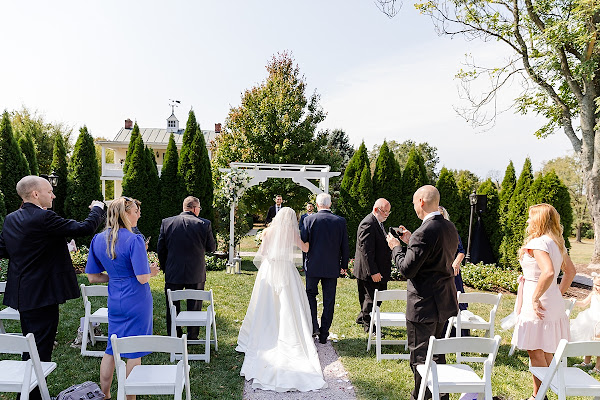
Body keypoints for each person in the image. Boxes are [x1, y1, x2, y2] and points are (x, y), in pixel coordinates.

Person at [0, 176, 105, 400]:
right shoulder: (44, 217)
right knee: (41, 347)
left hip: (22, 293)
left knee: (31, 343)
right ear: (35, 194)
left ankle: (28, 393)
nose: (53, 195)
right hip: (43, 294)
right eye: (49, 191)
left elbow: (4, 249)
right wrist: (97, 209)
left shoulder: (10, 219)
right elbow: (84, 228)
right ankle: (32, 395)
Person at [236, 207, 327, 392]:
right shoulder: (293, 232)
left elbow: (263, 252)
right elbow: (306, 248)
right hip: (286, 270)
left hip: (269, 269)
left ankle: (264, 330)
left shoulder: (267, 231)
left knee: (264, 303)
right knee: (289, 304)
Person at [386, 185, 459, 400]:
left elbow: (407, 269)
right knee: (437, 355)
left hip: (423, 304)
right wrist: (411, 242)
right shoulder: (449, 227)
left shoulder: (424, 232)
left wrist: (396, 248)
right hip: (443, 301)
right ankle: (440, 396)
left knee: (420, 359)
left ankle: (421, 397)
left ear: (421, 202)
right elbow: (433, 257)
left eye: (414, 204)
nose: (414, 208)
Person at [85, 196, 160, 399]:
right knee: (134, 352)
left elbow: (92, 277)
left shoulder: (98, 239)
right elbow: (142, 278)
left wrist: (115, 277)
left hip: (115, 298)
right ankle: (129, 397)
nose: (138, 215)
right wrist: (152, 272)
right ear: (125, 214)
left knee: (111, 347)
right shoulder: (134, 239)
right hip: (137, 299)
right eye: (136, 211)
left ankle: (106, 395)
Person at [511, 203, 576, 400]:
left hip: (538, 302)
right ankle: (540, 395)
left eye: (531, 217)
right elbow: (570, 272)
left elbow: (548, 272)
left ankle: (539, 396)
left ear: (538, 220)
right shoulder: (556, 243)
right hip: (553, 302)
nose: (528, 221)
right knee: (546, 350)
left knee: (535, 351)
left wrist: (536, 296)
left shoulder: (538, 243)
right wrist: (557, 293)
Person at [157, 196, 216, 339]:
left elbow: (161, 249)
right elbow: (211, 247)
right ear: (195, 208)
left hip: (173, 271)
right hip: (195, 272)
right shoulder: (204, 224)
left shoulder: (167, 222)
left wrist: (166, 267)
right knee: (195, 305)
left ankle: (174, 335)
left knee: (172, 305)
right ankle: (192, 336)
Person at [301, 193, 349, 344]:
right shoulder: (340, 221)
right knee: (329, 300)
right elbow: (345, 246)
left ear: (317, 205)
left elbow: (304, 244)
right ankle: (324, 334)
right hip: (331, 266)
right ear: (329, 205)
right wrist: (344, 265)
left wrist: (304, 263)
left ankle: (313, 326)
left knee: (310, 295)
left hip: (313, 265)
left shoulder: (308, 219)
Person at [354, 198, 392, 333]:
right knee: (370, 299)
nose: (387, 214)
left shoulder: (379, 222)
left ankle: (361, 317)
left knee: (378, 297)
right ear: (376, 209)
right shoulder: (368, 224)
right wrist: (373, 271)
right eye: (385, 211)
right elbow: (366, 252)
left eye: (388, 211)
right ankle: (368, 325)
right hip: (370, 270)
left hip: (380, 269)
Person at [439, 206, 469, 329]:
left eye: (442, 215)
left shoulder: (452, 231)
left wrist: (456, 262)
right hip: (440, 272)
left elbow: (461, 251)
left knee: (457, 301)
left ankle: (459, 332)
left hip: (453, 272)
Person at [571, 272, 600, 373]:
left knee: (597, 343)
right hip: (590, 319)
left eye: (599, 285)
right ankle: (587, 362)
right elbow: (584, 303)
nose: (596, 287)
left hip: (598, 322)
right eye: (595, 285)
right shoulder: (593, 294)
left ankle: (598, 367)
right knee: (589, 340)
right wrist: (574, 302)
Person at [299, 202, 315, 270]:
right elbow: (300, 226)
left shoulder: (315, 215)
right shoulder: (303, 216)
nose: (309, 208)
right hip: (305, 236)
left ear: (313, 208)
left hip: (313, 236)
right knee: (304, 251)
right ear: (306, 208)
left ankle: (312, 265)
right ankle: (303, 266)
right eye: (308, 206)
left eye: (311, 206)